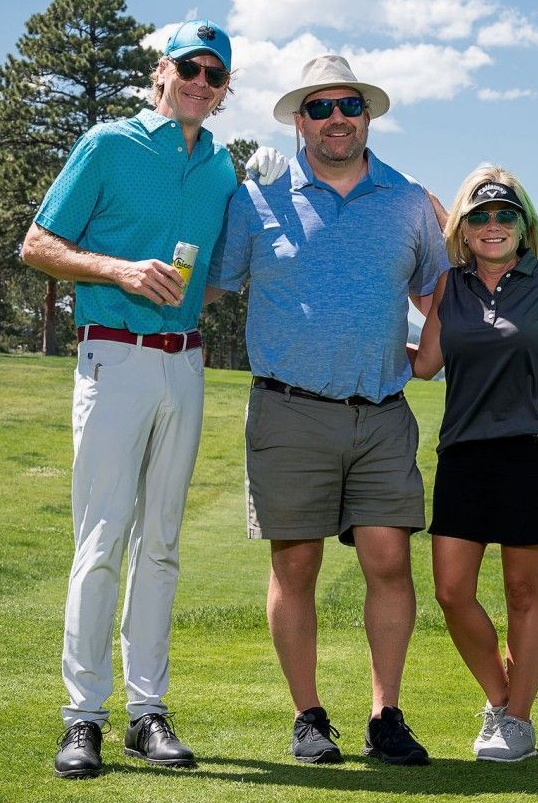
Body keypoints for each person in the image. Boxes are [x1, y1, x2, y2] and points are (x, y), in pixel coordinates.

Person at [205, 54, 449, 766]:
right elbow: (212, 287)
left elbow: (437, 291)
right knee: (296, 564)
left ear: (366, 116)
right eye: (320, 107)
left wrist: (427, 357)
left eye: (349, 105)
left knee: (388, 561)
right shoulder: (258, 198)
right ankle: (308, 716)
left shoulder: (407, 200)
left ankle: (386, 716)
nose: (336, 118)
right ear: (298, 119)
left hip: (379, 413)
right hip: (288, 410)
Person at [22, 19, 238, 777]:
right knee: (103, 540)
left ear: (224, 90)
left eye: (214, 75)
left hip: (185, 365)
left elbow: (216, 276)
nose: (200, 83)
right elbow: (38, 244)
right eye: (189, 67)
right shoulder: (108, 144)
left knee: (164, 545)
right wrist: (116, 270)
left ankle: (148, 713)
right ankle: (82, 718)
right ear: (160, 71)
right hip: (112, 357)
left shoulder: (220, 166)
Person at [410, 167, 538, 762]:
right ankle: (501, 698)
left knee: (521, 592)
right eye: (479, 216)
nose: (493, 226)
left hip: (530, 452)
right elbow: (426, 364)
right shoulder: (449, 287)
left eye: (505, 215)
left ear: (523, 225)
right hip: (463, 453)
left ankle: (517, 721)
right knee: (451, 591)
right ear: (463, 228)